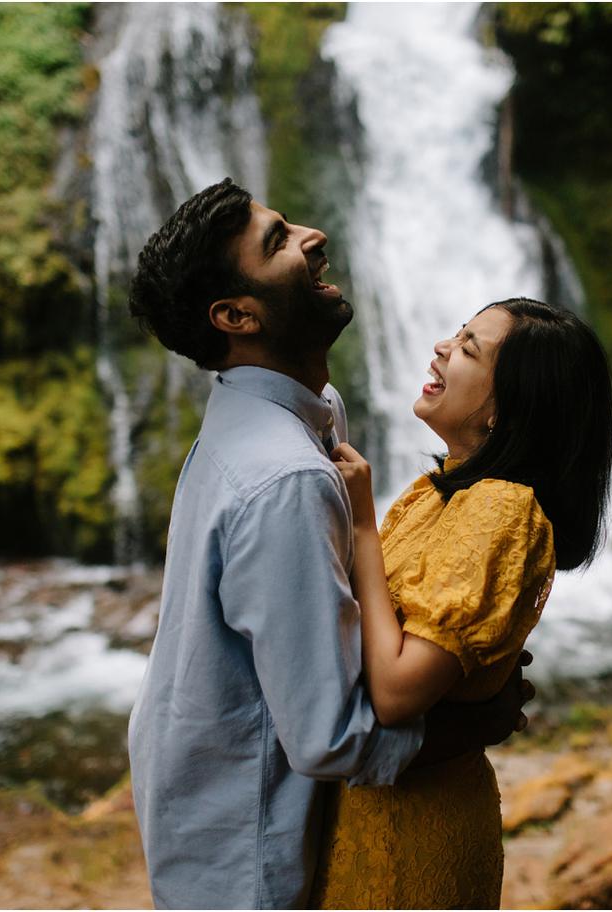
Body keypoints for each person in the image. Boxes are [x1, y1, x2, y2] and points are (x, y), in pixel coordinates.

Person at [123, 178, 534, 909]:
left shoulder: (300, 414)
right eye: (278, 241)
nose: (313, 236)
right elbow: (330, 740)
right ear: (236, 315)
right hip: (245, 849)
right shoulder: (282, 474)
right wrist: (477, 718)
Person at [312, 297, 612, 908]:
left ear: (506, 409)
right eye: (455, 336)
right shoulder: (433, 493)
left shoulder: (505, 510)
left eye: (468, 348)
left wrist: (364, 527)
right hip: (369, 809)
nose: (442, 348)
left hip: (417, 836)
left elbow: (398, 693)